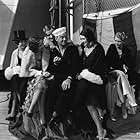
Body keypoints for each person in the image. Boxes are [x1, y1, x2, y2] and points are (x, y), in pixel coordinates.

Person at [72, 28, 108, 140]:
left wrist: (83, 74)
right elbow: (79, 64)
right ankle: (100, 129)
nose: (82, 41)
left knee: (87, 95)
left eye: (84, 38)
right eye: (81, 39)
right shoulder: (83, 47)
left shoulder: (98, 49)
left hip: (97, 79)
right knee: (89, 102)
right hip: (86, 80)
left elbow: (97, 68)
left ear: (89, 38)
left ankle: (100, 123)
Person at [45, 27, 80, 128]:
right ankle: (49, 117)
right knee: (52, 91)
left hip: (70, 78)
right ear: (56, 39)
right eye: (61, 38)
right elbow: (51, 68)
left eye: (65, 37)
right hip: (58, 77)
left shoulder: (72, 49)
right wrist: (54, 65)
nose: (64, 39)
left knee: (65, 90)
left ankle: (56, 115)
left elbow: (75, 66)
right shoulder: (54, 51)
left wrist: (69, 78)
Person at [19, 35, 54, 134]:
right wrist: (38, 73)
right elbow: (23, 73)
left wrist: (44, 73)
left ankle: (31, 111)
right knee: (41, 83)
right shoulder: (28, 52)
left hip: (43, 76)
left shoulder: (44, 49)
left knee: (42, 82)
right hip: (30, 77)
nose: (41, 47)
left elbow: (45, 66)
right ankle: (42, 120)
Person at [105, 32, 137, 121]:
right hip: (112, 72)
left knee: (121, 78)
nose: (117, 43)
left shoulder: (126, 50)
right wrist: (120, 66)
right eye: (115, 41)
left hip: (121, 75)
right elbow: (107, 62)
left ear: (122, 41)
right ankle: (129, 103)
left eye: (119, 41)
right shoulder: (112, 48)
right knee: (120, 74)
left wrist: (126, 67)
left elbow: (131, 64)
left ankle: (121, 107)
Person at [5, 30, 27, 121]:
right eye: (20, 42)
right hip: (18, 75)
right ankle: (18, 108)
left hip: (27, 74)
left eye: (23, 41)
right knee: (15, 80)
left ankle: (16, 110)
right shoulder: (15, 53)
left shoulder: (28, 51)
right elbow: (12, 67)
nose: (22, 44)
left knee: (17, 85)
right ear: (17, 44)